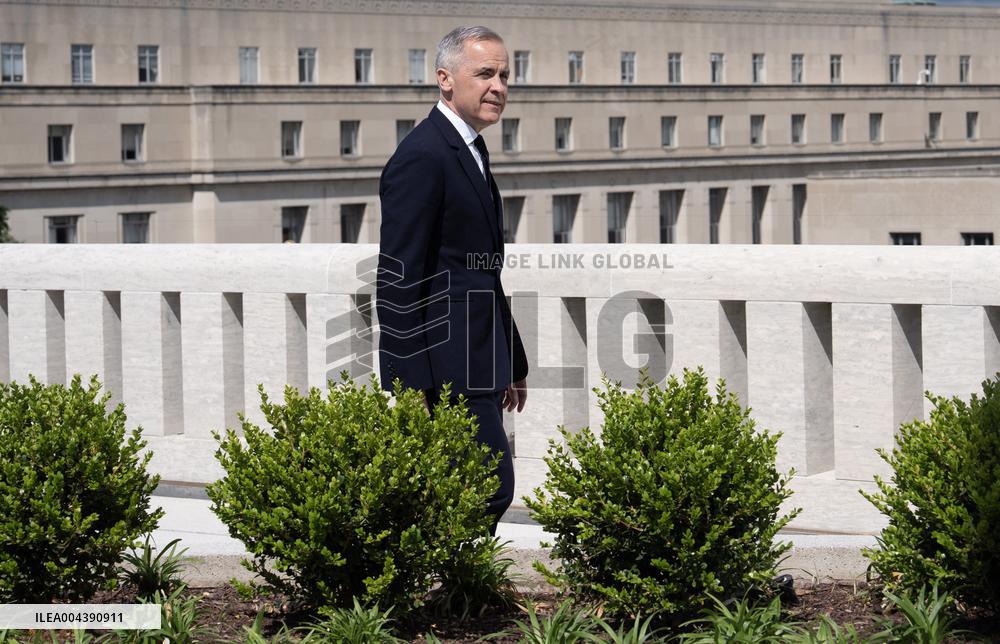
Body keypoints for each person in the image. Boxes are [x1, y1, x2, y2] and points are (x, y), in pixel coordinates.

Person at [375, 26, 529, 534]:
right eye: (485, 73)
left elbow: (479, 269)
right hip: (443, 366)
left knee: (474, 487)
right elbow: (399, 275)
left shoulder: (470, 148)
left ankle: (455, 595)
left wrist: (511, 359)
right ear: (445, 79)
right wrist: (408, 384)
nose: (499, 86)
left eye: (505, 75)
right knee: (489, 485)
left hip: (480, 358)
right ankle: (437, 591)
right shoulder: (424, 156)